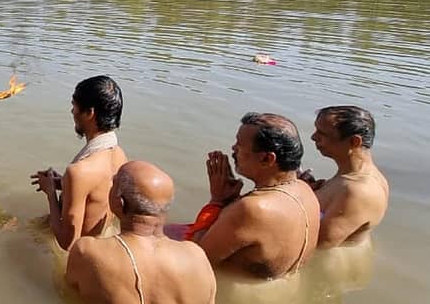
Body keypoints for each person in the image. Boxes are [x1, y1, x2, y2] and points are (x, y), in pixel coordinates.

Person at [180, 113, 320, 280]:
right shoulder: (305, 190)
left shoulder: (253, 209)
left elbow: (196, 261)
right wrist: (231, 202)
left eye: (239, 145)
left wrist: (216, 201)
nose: (233, 149)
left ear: (267, 158)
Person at [66, 161, 216, 304]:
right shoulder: (198, 257)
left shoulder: (87, 251)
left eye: (114, 183)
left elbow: (66, 292)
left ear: (120, 202)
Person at [31, 75, 128, 250]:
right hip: (103, 240)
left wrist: (51, 193)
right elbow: (96, 192)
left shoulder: (80, 172)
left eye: (74, 105)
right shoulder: (120, 155)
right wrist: (64, 183)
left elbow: (67, 244)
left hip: (80, 255)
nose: (72, 111)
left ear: (90, 113)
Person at [301, 105, 389, 248]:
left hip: (330, 265)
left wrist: (298, 195)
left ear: (354, 142)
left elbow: (320, 244)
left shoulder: (358, 191)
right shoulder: (352, 177)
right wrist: (306, 190)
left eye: (322, 133)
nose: (313, 137)